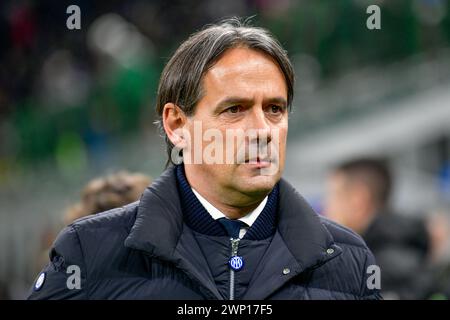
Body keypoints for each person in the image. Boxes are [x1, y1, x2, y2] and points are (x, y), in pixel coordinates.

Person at [28, 18, 381, 300]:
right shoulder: (90, 253)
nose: (262, 130)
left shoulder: (347, 260)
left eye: (275, 109)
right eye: (235, 109)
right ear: (177, 125)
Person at [324, 158, 431, 299]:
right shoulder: (408, 255)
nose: (326, 208)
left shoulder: (375, 272)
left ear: (358, 200)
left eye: (334, 196)